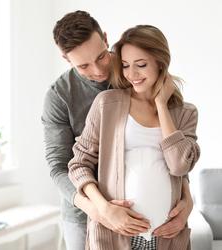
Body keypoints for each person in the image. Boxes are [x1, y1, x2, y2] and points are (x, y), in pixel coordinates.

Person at [42, 10, 194, 250]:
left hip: (154, 222)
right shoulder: (59, 96)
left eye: (102, 56)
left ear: (105, 38)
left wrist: (187, 200)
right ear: (65, 59)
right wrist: (101, 211)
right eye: (83, 65)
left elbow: (166, 148)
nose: (98, 70)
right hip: (84, 211)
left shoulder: (135, 72)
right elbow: (60, 165)